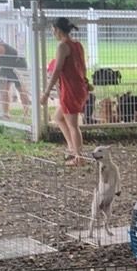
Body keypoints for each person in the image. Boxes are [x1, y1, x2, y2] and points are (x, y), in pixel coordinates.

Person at [42, 17, 89, 164]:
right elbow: (83, 67)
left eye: (53, 31)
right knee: (58, 117)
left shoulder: (62, 47)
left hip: (70, 89)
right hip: (79, 86)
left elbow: (57, 70)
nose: (52, 34)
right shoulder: (78, 45)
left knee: (73, 125)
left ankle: (79, 157)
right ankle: (72, 148)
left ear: (58, 30)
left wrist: (46, 92)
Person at [0, 40, 29, 115]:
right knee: (3, 91)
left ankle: (26, 112)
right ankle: (6, 113)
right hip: (5, 67)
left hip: (17, 64)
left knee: (21, 89)